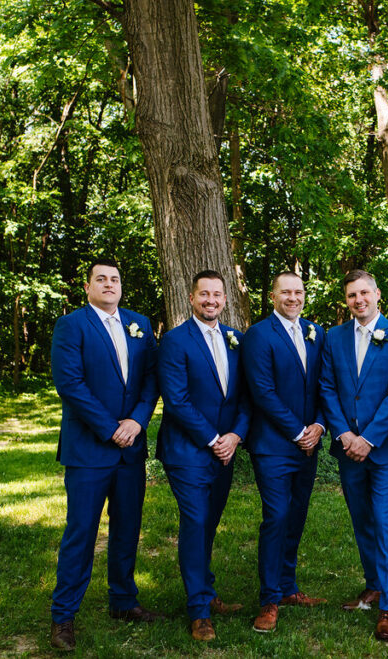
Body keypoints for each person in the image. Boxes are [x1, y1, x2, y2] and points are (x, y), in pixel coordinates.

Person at [49, 260, 162, 651]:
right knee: (81, 533)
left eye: (115, 279)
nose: (109, 284)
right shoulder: (72, 325)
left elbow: (152, 378)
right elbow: (70, 383)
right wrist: (111, 427)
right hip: (89, 450)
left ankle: (123, 601)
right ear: (88, 287)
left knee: (128, 529)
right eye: (101, 279)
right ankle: (63, 616)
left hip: (131, 449)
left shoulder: (140, 323)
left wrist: (137, 421)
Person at [318, 269, 388, 642]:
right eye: (352, 296)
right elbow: (327, 387)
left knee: (385, 519)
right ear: (347, 301)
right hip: (347, 448)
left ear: (377, 295)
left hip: (385, 449)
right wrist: (344, 434)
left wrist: (368, 438)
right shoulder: (334, 338)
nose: (358, 300)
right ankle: (373, 584)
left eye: (364, 294)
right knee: (361, 518)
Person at [156, 270, 249, 642]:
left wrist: (235, 436)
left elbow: (247, 396)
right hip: (187, 451)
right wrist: (214, 438)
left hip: (224, 451)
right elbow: (176, 400)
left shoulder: (237, 341)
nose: (211, 300)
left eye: (217, 295)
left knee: (209, 524)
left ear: (225, 299)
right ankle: (198, 611)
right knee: (195, 524)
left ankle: (207, 593)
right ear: (191, 299)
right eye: (204, 294)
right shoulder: (175, 342)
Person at [242, 272, 328, 633]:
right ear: (272, 295)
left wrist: (320, 426)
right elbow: (262, 391)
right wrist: (297, 432)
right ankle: (269, 599)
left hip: (309, 443)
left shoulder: (317, 332)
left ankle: (289, 586)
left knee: (296, 515)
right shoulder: (259, 335)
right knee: (276, 516)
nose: (293, 298)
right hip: (274, 445)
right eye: (285, 292)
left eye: (298, 292)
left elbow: (328, 384)